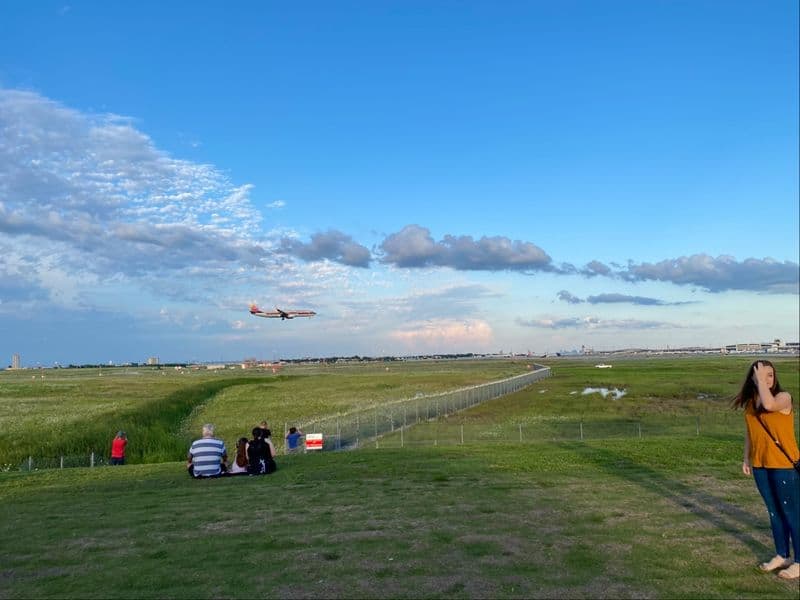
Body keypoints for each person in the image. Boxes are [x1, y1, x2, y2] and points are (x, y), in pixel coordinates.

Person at [733, 360, 799, 580]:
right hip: (761, 466)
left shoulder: (783, 398)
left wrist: (761, 381)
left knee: (791, 513)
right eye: (761, 375)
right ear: (751, 377)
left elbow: (770, 405)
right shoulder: (751, 404)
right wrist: (746, 459)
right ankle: (782, 555)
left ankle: (799, 562)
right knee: (774, 512)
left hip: (783, 466)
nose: (766, 378)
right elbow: (751, 434)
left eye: (770, 375)